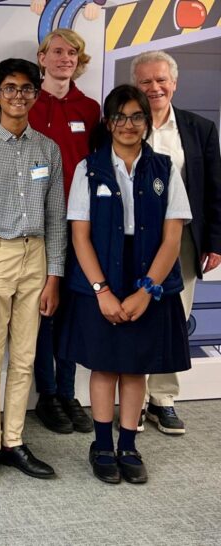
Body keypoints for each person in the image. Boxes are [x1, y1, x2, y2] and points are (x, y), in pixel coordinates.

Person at [59, 84, 192, 484]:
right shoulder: (89, 168)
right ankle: (102, 444)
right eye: (120, 117)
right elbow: (80, 236)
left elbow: (173, 238)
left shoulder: (165, 168)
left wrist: (147, 290)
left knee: (135, 369)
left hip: (148, 274)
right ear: (108, 123)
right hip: (101, 273)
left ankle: (129, 445)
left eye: (137, 117)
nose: (128, 125)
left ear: (146, 122)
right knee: (105, 364)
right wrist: (102, 290)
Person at [0, 58, 66, 486]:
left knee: (24, 360)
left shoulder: (49, 150)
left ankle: (14, 441)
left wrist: (54, 276)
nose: (18, 96)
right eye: (10, 89)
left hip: (36, 258)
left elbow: (57, 218)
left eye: (26, 89)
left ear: (35, 96)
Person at [131, 50, 221, 435]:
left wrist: (215, 241)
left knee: (175, 316)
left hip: (182, 237)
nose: (154, 87)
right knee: (134, 312)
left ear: (174, 83)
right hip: (133, 237)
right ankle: (131, 399)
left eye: (160, 80)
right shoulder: (123, 125)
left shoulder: (199, 128)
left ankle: (163, 398)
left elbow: (215, 191)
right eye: (145, 81)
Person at [29, 28, 100, 435]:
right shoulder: (27, 104)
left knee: (72, 311)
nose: (64, 58)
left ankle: (69, 393)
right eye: (56, 51)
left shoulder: (89, 108)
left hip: (78, 225)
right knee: (43, 311)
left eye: (72, 52)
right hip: (36, 225)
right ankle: (48, 394)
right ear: (42, 58)